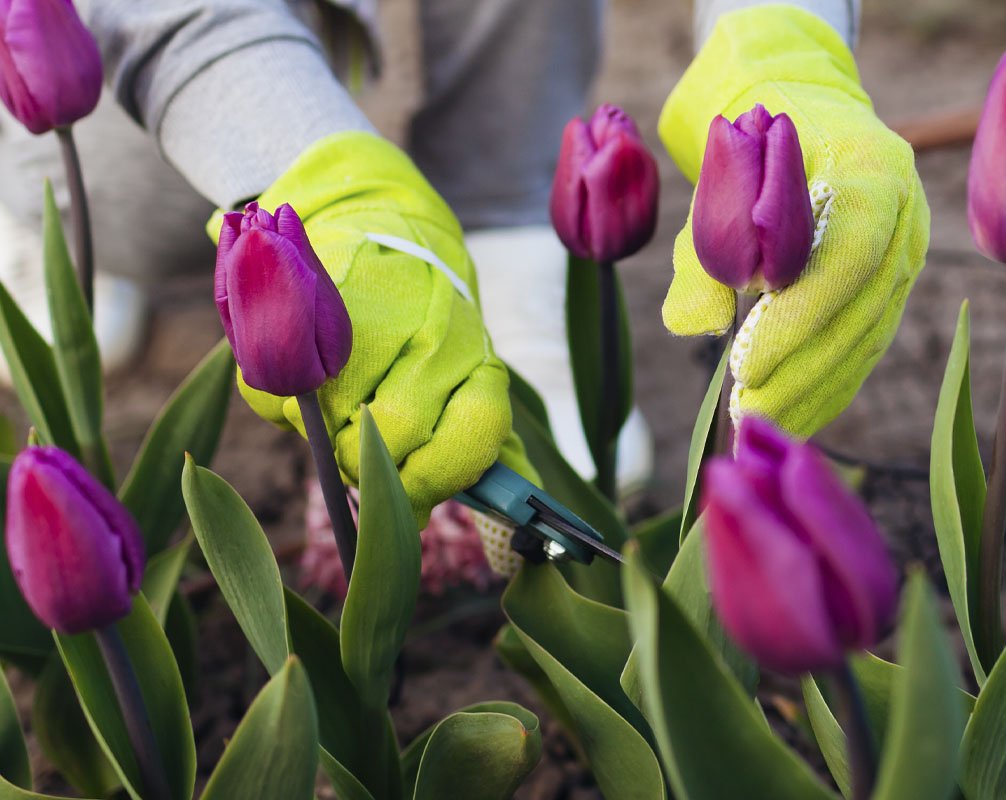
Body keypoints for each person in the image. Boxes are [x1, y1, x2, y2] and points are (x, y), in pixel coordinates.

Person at [0, 0, 927, 553]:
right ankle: (48, 228)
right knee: (104, 194)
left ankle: (503, 212)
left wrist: (782, 39)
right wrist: (318, 175)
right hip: (119, 78)